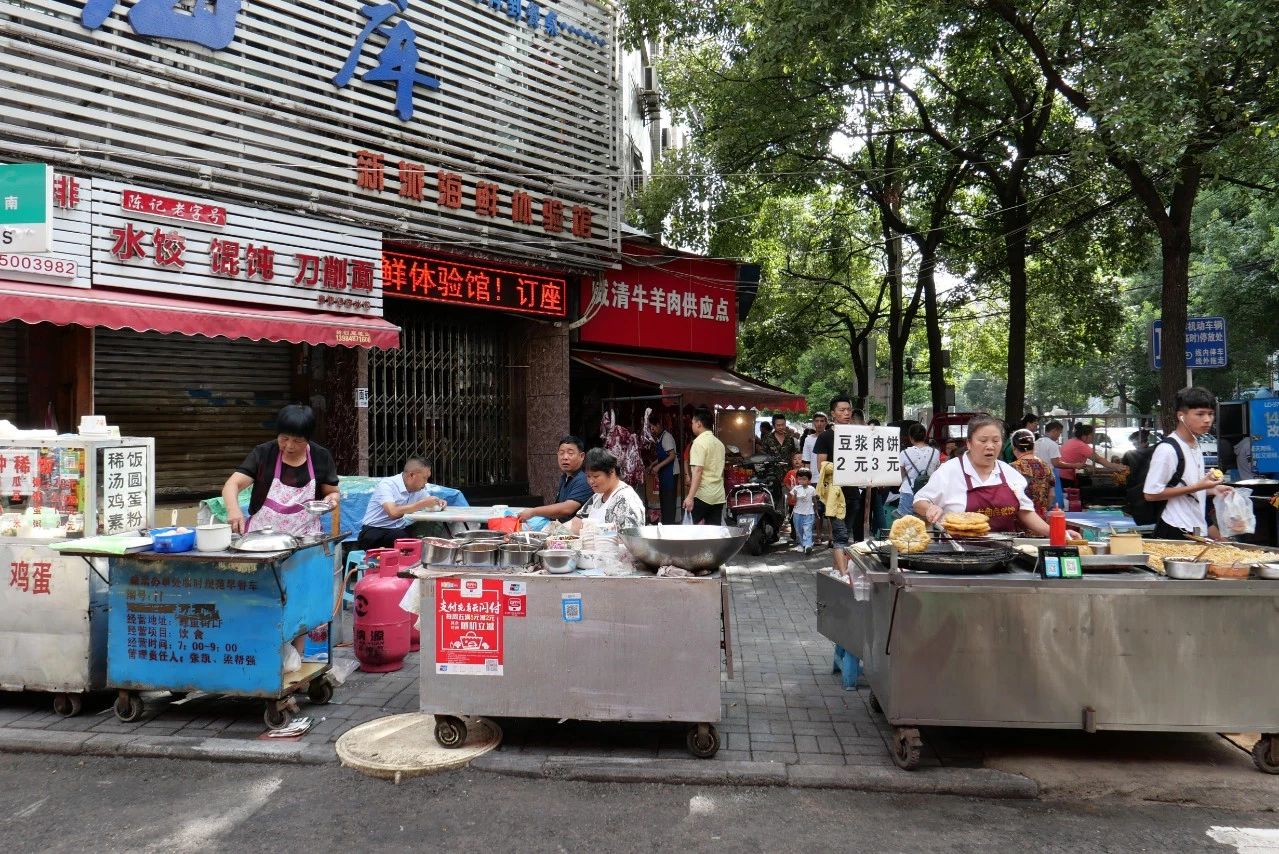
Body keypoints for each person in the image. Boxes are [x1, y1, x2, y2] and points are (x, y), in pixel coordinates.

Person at [913, 415, 1058, 538]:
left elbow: (1025, 512)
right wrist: (929, 508)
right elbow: (919, 501)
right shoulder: (950, 471)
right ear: (969, 443)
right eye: (983, 441)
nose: (990, 446)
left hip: (1005, 553)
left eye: (996, 441)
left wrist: (1057, 534)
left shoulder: (1010, 473)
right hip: (959, 554)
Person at [222, 404, 339, 537]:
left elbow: (332, 492)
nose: (289, 446)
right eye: (284, 438)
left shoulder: (321, 456)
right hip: (261, 537)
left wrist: (331, 501)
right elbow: (232, 484)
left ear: (308, 439)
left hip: (306, 539)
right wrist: (233, 510)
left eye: (298, 441)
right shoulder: (263, 453)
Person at [1142, 387, 1230, 540]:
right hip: (1174, 529)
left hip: (1196, 529)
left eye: (1210, 414)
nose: (1207, 420)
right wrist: (1200, 486)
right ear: (1181, 416)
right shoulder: (1167, 450)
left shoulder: (1195, 444)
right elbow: (1150, 494)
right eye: (1200, 414)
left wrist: (1213, 489)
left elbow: (1188, 487)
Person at [813, 395, 863, 574]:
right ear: (833, 413)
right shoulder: (825, 437)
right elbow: (821, 467)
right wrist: (843, 468)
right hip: (835, 495)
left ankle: (836, 569)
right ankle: (844, 575)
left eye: (848, 409)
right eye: (842, 410)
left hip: (853, 494)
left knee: (846, 533)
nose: (846, 413)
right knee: (841, 536)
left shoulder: (859, 435)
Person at [356, 457, 447, 550]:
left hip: (398, 529)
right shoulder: (387, 484)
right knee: (404, 540)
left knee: (421, 537)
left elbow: (429, 502)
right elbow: (393, 513)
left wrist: (439, 502)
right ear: (412, 475)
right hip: (375, 531)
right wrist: (422, 504)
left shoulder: (419, 489)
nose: (426, 482)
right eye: (424, 478)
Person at [567, 448, 647, 533]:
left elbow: (629, 538)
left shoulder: (626, 499)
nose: (591, 481)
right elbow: (578, 522)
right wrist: (555, 530)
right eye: (588, 476)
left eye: (596, 476)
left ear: (611, 471)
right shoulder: (597, 497)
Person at [517, 436, 593, 523]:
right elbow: (558, 506)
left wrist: (533, 512)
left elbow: (567, 509)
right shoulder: (564, 477)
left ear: (582, 456)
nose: (565, 457)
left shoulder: (584, 479)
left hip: (575, 532)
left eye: (570, 453)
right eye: (561, 453)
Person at [683, 407, 726, 524]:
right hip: (718, 496)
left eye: (692, 423)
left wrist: (690, 497)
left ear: (699, 424)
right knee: (713, 535)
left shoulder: (698, 443)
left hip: (702, 496)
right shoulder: (719, 444)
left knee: (687, 531)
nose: (691, 425)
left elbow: (698, 471)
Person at [1057, 423, 1126, 486]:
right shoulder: (1081, 445)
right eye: (1091, 435)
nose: (1093, 437)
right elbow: (1099, 459)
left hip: (1060, 474)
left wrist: (1086, 466)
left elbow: (1070, 459)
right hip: (1064, 477)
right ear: (1084, 436)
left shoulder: (1072, 441)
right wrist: (1115, 466)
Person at [1010, 429, 1055, 518]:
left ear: (1014, 448)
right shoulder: (1046, 467)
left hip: (1020, 520)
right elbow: (1052, 495)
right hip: (1041, 520)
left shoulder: (1012, 468)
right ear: (1034, 447)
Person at [898, 423, 940, 517]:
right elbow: (937, 473)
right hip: (928, 493)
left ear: (911, 438)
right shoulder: (935, 452)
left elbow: (900, 475)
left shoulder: (904, 453)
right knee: (927, 524)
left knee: (906, 525)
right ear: (925, 436)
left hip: (908, 491)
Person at [759, 413, 798, 508]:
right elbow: (763, 455)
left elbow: (794, 455)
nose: (781, 427)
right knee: (774, 501)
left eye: (783, 425)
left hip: (788, 474)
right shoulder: (767, 438)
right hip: (772, 475)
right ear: (773, 426)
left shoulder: (790, 439)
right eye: (778, 425)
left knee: (789, 500)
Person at [646, 414, 679, 525]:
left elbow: (671, 455)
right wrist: (653, 464)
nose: (652, 430)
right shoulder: (660, 438)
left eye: (652, 427)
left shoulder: (667, 437)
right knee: (664, 501)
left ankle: (670, 526)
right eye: (650, 428)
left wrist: (658, 466)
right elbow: (662, 456)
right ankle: (665, 524)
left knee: (669, 503)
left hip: (670, 475)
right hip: (665, 475)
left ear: (659, 425)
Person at [790, 469, 816, 555]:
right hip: (797, 513)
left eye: (804, 479)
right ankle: (801, 544)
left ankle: (808, 545)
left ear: (809, 480)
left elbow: (814, 499)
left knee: (807, 529)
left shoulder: (811, 489)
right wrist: (795, 494)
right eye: (799, 479)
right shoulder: (796, 488)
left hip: (809, 513)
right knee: (799, 530)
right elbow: (792, 500)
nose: (801, 481)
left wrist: (816, 509)